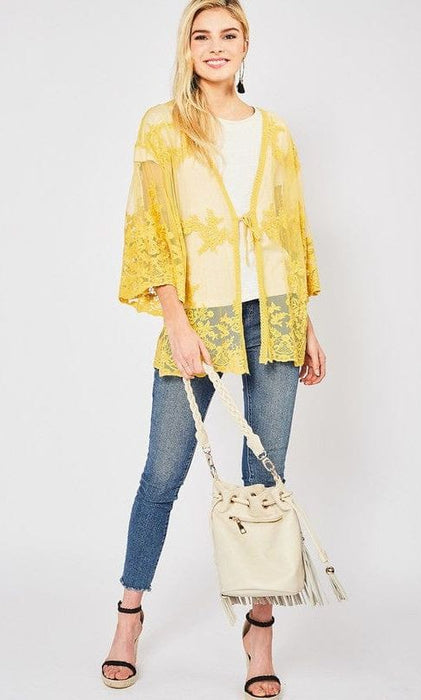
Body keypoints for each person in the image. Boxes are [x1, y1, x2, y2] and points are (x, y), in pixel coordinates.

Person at [102, 1, 326, 696]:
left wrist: (305, 321)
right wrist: (175, 319)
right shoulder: (164, 126)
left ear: (245, 45)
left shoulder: (275, 132)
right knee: (162, 472)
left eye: (229, 35)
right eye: (202, 36)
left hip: (276, 315)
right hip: (197, 316)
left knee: (265, 482)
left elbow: (290, 228)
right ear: (187, 48)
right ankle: (129, 615)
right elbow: (148, 225)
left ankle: (260, 631)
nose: (216, 46)